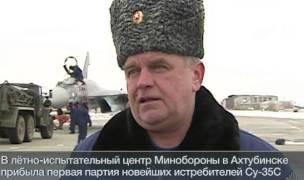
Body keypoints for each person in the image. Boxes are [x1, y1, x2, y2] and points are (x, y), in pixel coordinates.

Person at [67, 0, 295, 179]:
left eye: (159, 66)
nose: (142, 82)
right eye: (132, 71)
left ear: (196, 76)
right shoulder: (88, 161)